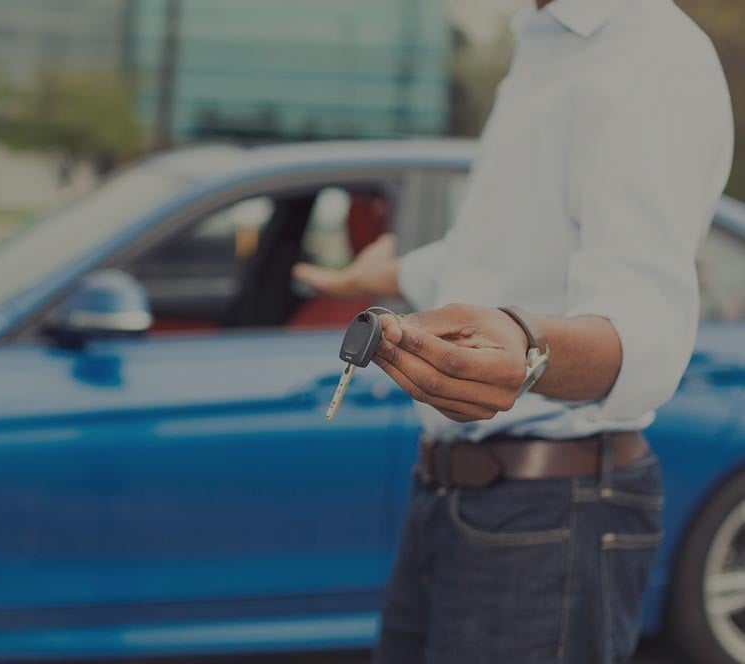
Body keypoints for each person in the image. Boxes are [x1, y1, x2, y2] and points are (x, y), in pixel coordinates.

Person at [293, 0, 734, 662]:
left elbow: (645, 324)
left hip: (551, 510)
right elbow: (509, 252)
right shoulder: (541, 43)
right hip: (452, 498)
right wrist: (398, 270)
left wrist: (527, 350)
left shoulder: (650, 56)